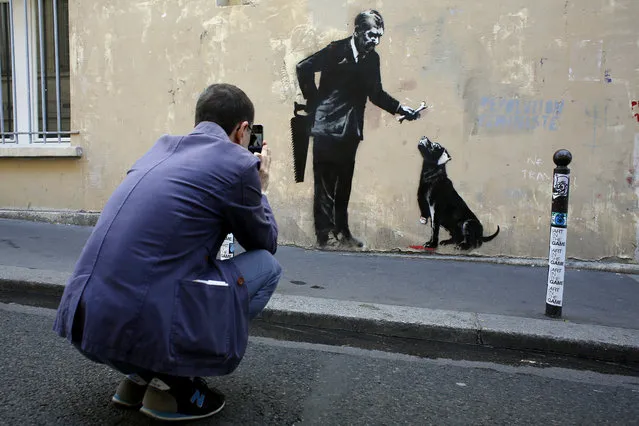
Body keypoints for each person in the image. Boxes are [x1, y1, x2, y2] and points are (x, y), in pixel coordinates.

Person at [52, 83, 281, 422]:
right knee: (268, 267)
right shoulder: (237, 164)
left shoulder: (159, 150)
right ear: (243, 130)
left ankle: (139, 375)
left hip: (87, 322)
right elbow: (265, 241)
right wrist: (260, 189)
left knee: (181, 264)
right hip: (138, 324)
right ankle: (176, 377)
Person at [296, 9, 421, 249]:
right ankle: (325, 235)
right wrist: (314, 103)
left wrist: (400, 108)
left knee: (344, 184)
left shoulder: (372, 59)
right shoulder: (336, 50)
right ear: (358, 32)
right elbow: (304, 67)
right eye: (372, 35)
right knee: (325, 185)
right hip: (327, 127)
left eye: (379, 37)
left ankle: (342, 232)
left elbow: (376, 93)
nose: (375, 41)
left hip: (351, 130)